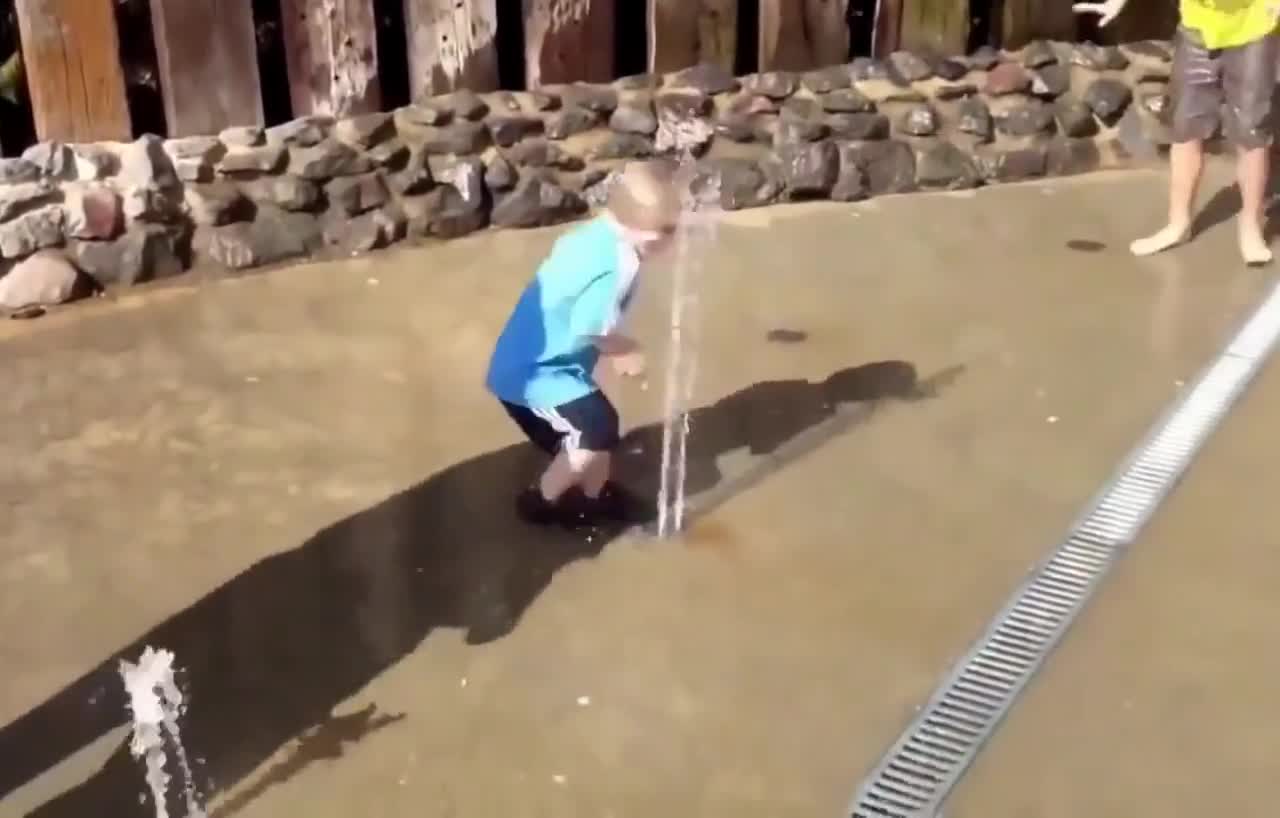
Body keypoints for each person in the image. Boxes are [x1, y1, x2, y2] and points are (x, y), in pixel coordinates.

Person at [485, 159, 683, 526]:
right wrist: (626, 351)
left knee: (601, 426)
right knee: (593, 430)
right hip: (534, 374)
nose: (675, 239)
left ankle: (596, 494)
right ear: (638, 225)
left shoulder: (597, 234)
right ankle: (541, 501)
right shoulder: (621, 264)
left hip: (546, 361)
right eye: (668, 231)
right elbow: (589, 324)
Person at [1074, 0, 1279, 264]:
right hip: (1197, 28)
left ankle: (1250, 228)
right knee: (1185, 128)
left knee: (1251, 130)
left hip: (1254, 28)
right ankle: (1177, 225)